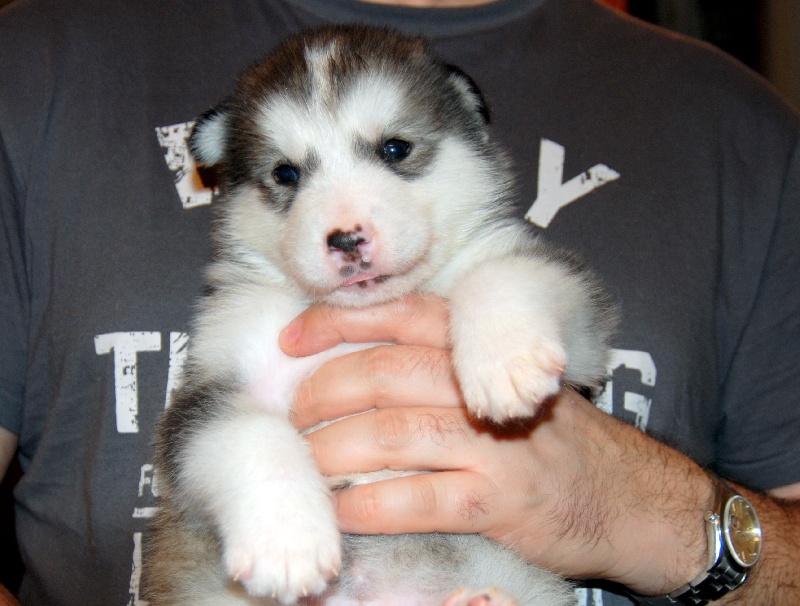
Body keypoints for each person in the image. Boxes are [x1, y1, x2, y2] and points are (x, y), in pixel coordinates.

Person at [0, 0, 798, 604]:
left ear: (470, 134)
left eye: (393, 150)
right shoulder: (38, 61)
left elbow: (570, 332)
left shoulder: (736, 126)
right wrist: (267, 488)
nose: (346, 225)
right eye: (288, 175)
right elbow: (206, 435)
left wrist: (654, 515)